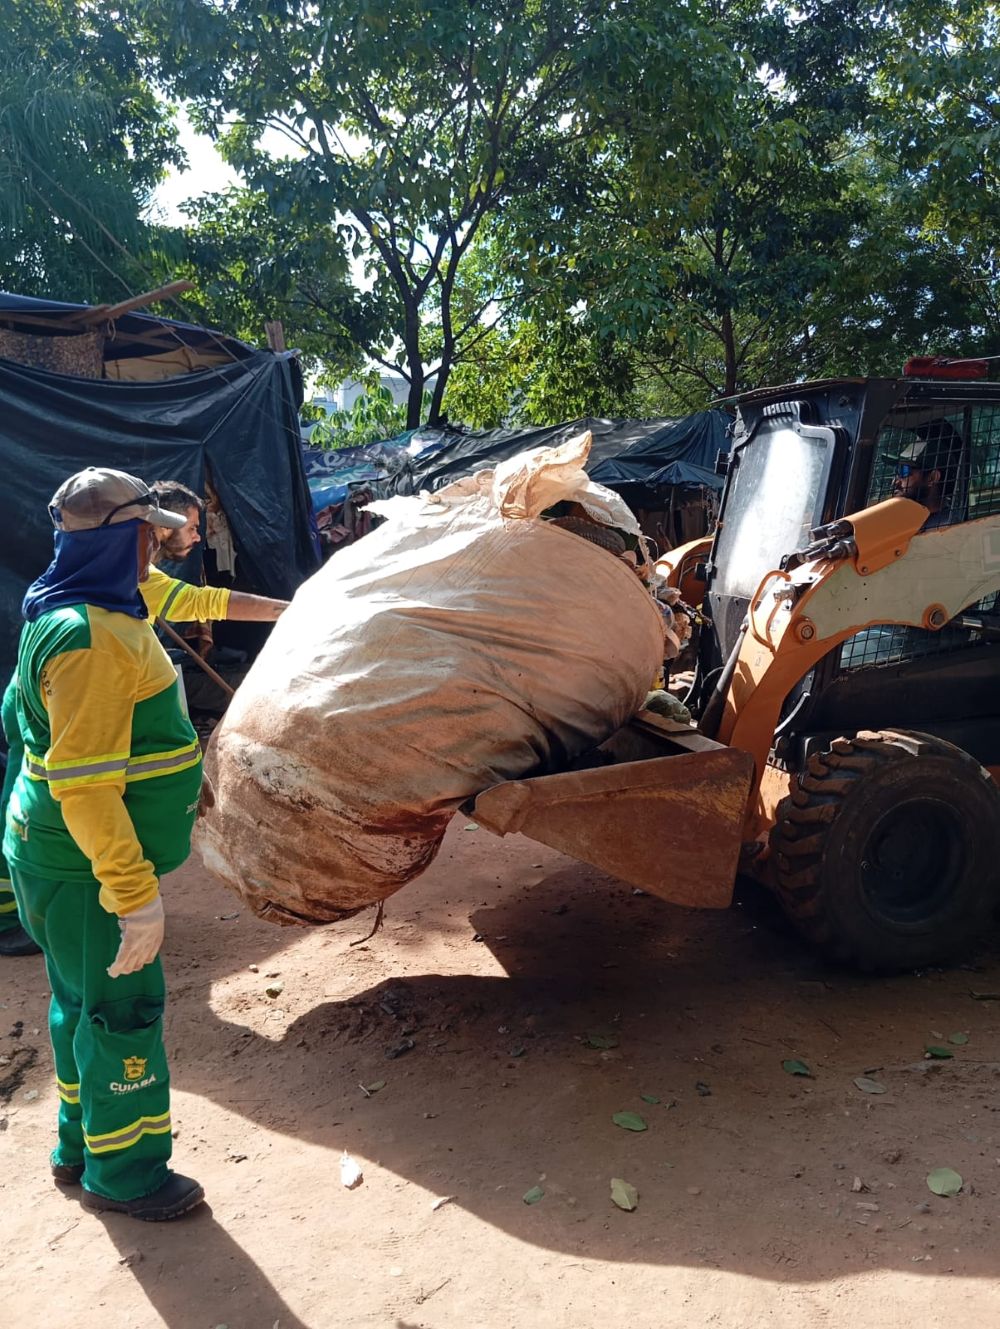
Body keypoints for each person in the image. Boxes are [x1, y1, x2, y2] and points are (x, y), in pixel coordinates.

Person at [3, 467, 205, 1220]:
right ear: (127, 539)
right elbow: (85, 785)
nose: (157, 546)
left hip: (54, 859)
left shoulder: (57, 609)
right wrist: (134, 894)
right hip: (87, 871)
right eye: (150, 534)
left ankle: (78, 1145)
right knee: (124, 1015)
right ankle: (126, 1174)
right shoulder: (89, 639)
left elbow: (16, 721)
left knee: (78, 1005)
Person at [0, 478, 290, 958]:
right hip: (59, 708)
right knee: (43, 795)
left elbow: (203, 602)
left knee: (42, 793)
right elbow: (86, 782)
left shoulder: (109, 580)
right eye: (183, 526)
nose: (193, 536)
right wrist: (134, 896)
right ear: (142, 533)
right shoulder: (96, 624)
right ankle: (15, 908)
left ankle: (37, 893)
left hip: (53, 701)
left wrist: (290, 611)